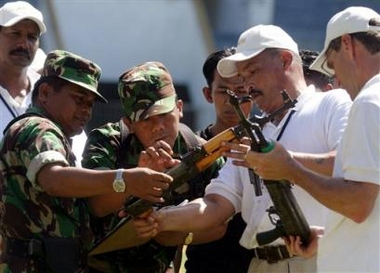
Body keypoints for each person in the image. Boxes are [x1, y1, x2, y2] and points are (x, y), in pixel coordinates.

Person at [132, 24, 352, 273]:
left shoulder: (331, 104)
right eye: (244, 77)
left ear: (285, 60)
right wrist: (160, 218)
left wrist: (286, 163)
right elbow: (215, 204)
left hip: (318, 262)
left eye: (253, 71)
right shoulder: (255, 132)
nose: (247, 86)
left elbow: (350, 166)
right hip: (260, 265)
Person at [0, 50, 174, 272]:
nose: (86, 111)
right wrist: (124, 179)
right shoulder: (38, 128)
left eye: (90, 104)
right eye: (79, 100)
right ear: (44, 93)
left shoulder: (53, 134)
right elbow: (54, 178)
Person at [242, 7, 380, 272]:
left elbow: (358, 204)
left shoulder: (369, 102)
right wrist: (331, 238)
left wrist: (290, 169)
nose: (334, 78)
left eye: (331, 64)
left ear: (347, 44)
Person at [81, 61, 224, 273]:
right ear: (129, 123)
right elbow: (97, 205)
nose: (158, 126)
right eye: (146, 119)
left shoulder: (199, 153)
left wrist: (172, 232)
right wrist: (134, 181)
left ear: (179, 108)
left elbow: (220, 224)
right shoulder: (108, 143)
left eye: (165, 114)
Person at [184, 48, 255, 273]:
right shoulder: (192, 149)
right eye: (223, 91)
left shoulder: (272, 143)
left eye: (241, 91)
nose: (232, 101)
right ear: (208, 94)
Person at [0, 1, 87, 167]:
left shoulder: (52, 94)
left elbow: (79, 156)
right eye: (15, 33)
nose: (23, 44)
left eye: (32, 37)